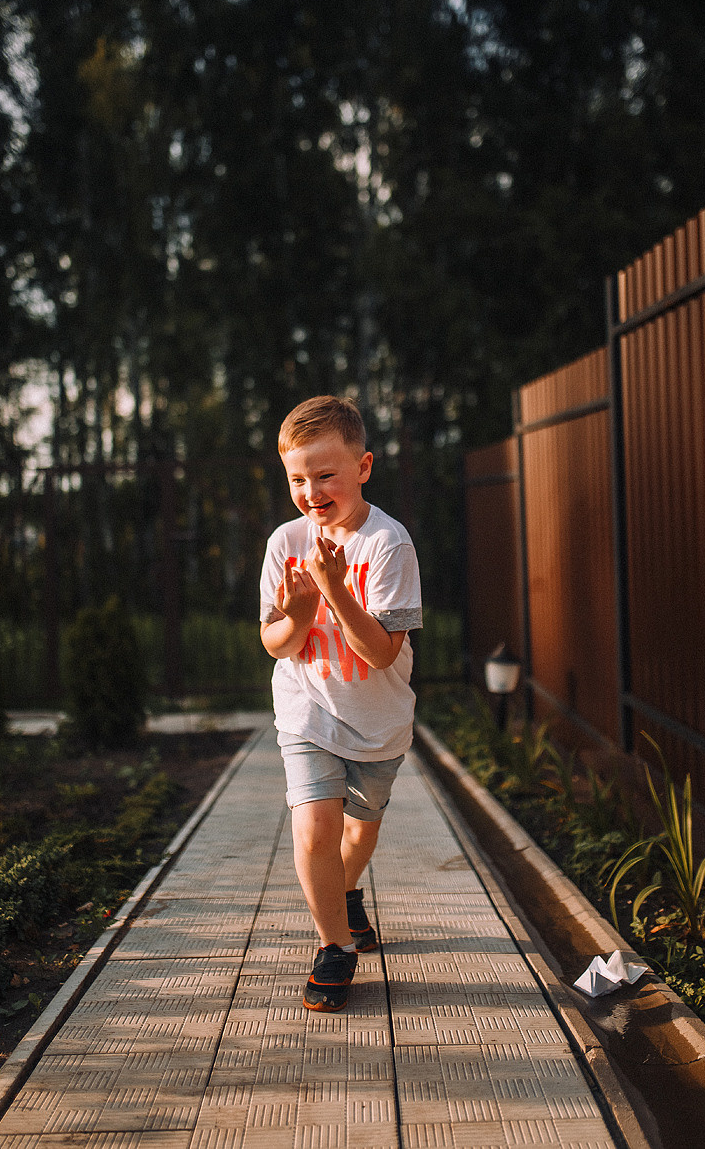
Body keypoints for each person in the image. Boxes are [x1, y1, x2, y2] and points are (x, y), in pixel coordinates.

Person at [259, 395, 422, 1011]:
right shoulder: (286, 541)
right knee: (316, 826)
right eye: (298, 478)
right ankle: (334, 947)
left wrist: (331, 589)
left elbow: (381, 653)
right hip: (307, 709)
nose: (312, 490)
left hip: (376, 720)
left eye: (326, 474)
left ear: (363, 468)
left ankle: (346, 894)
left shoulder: (387, 543)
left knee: (360, 832)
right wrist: (298, 614)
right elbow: (276, 643)